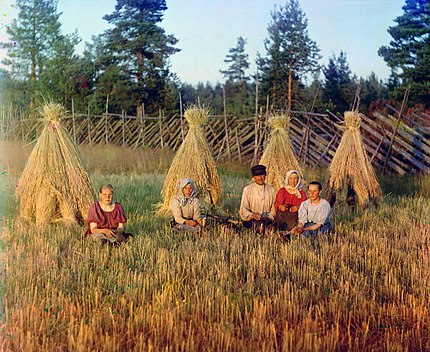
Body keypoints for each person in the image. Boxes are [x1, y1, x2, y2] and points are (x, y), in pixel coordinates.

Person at [239, 164, 276, 234]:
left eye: (262, 175)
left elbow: (274, 208)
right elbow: (243, 208)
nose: (260, 178)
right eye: (257, 176)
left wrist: (268, 216)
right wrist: (252, 215)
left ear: (265, 175)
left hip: (267, 219)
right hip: (252, 220)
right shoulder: (247, 189)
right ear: (253, 177)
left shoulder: (271, 190)